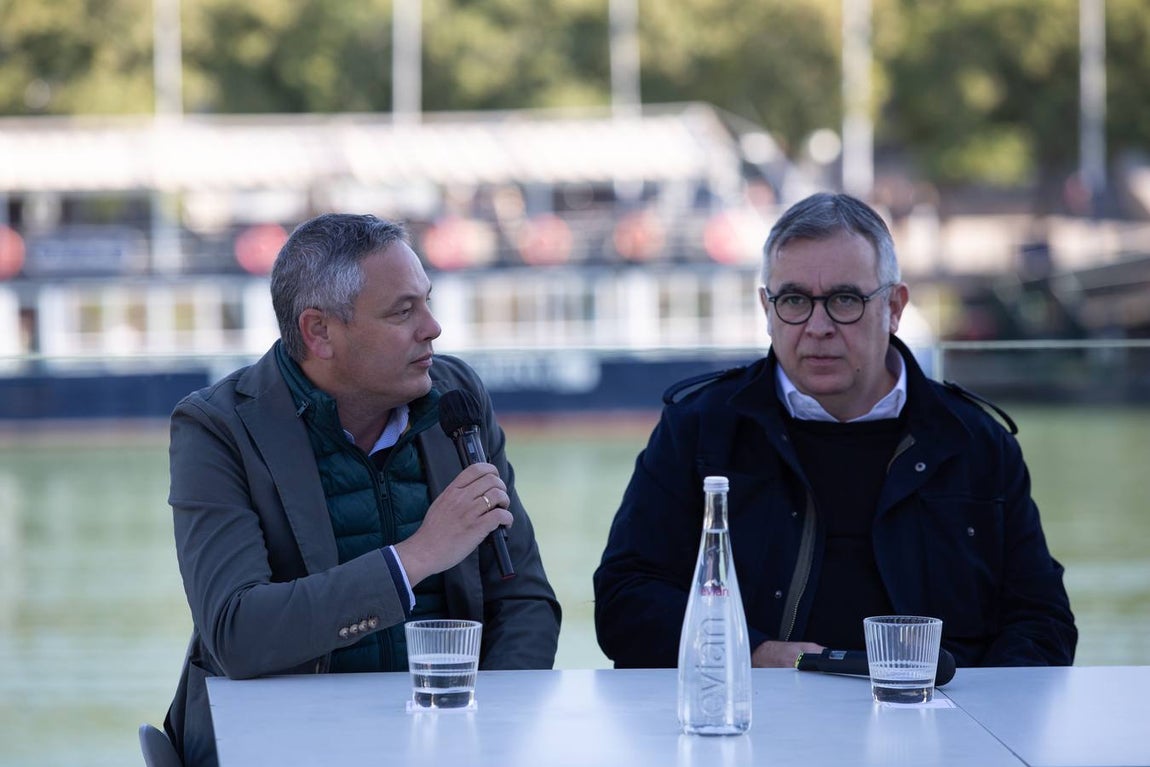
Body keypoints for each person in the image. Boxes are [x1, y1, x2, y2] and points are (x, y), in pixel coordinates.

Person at [593, 192, 1076, 671]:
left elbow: (1042, 622)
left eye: (845, 299)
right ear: (766, 309)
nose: (818, 325)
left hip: (940, 725)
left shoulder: (976, 443)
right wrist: (751, 653)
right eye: (795, 300)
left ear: (894, 308)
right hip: (755, 721)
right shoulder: (699, 431)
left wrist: (972, 712)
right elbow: (625, 601)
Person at [162, 214, 561, 767]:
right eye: (404, 311)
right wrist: (416, 558)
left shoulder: (457, 395)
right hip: (277, 744)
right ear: (319, 332)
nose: (434, 327)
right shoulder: (219, 427)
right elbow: (237, 633)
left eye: (427, 300)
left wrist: (482, 732)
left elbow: (524, 602)